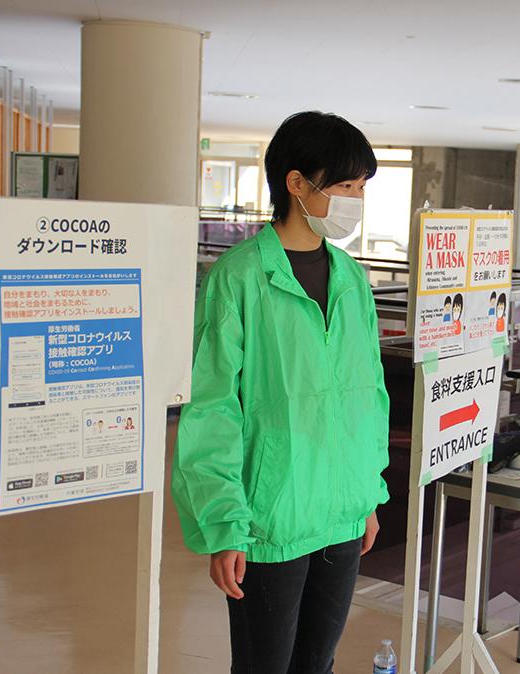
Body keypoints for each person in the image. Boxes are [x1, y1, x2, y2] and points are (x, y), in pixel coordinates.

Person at [172, 111, 391, 674]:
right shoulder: (239, 277)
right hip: (271, 518)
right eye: (345, 186)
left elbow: (368, 395)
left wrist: (367, 495)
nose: (356, 200)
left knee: (318, 663)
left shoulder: (351, 279)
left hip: (342, 514)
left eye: (362, 187)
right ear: (297, 183)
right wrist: (225, 525)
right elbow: (213, 407)